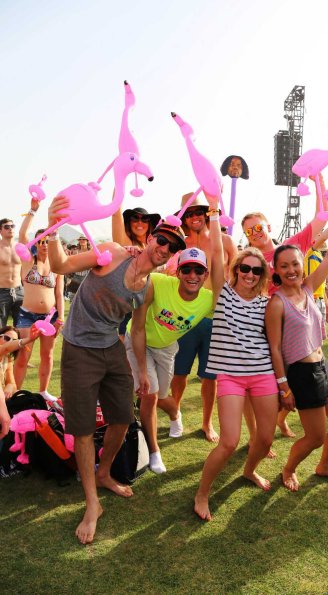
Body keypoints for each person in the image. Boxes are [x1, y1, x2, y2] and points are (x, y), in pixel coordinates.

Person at [47, 195, 185, 545]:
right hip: (79, 348)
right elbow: (61, 266)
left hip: (111, 349)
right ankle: (92, 504)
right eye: (163, 239)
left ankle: (104, 472)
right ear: (152, 237)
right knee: (80, 429)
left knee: (122, 418)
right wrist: (52, 229)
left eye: (172, 247)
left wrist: (139, 368)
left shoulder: (147, 288)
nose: (165, 248)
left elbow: (136, 330)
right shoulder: (113, 253)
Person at [194, 202, 279, 521]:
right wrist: (214, 215)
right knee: (229, 441)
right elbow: (216, 250)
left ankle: (249, 471)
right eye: (245, 268)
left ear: (263, 275)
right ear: (236, 270)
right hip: (230, 376)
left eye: (256, 270)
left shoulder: (267, 302)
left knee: (265, 438)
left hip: (262, 376)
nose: (250, 274)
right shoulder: (223, 293)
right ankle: (202, 493)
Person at [265, 207, 328, 492]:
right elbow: (275, 348)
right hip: (302, 373)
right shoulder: (276, 302)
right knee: (315, 436)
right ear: (276, 271)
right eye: (284, 266)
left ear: (302, 264)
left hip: (321, 365)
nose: (291, 270)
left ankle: (324, 465)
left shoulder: (308, 286)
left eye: (295, 264)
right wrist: (284, 387)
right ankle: (288, 469)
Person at [241, 176, 328, 439]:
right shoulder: (247, 260)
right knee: (257, 387)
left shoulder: (289, 249)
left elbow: (321, 219)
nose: (256, 233)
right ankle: (257, 435)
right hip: (261, 329)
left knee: (294, 379)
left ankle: (279, 421)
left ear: (268, 225)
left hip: (295, 329)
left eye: (258, 227)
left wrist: (318, 180)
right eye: (249, 231)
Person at [125, 240, 220, 473]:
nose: (192, 275)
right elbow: (137, 328)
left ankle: (175, 412)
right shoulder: (157, 282)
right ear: (177, 272)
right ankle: (155, 452)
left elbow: (228, 287)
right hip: (139, 342)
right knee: (149, 395)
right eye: (186, 269)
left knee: (162, 395)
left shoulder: (208, 301)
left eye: (199, 270)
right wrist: (130, 253)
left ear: (206, 274)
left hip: (167, 348)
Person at [168, 193, 238, 442]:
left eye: (199, 212)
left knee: (210, 377)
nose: (194, 217)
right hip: (184, 316)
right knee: (179, 373)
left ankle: (207, 424)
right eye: (188, 214)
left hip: (216, 318)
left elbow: (238, 277)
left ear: (208, 213)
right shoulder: (177, 242)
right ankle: (175, 415)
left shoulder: (226, 241)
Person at [14, 201, 64, 401]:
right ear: (36, 243)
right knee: (23, 355)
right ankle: (15, 392)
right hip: (27, 315)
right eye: (41, 241)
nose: (44, 244)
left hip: (50, 317)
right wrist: (33, 210)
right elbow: (22, 235)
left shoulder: (58, 264)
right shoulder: (28, 260)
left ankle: (43, 391)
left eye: (47, 240)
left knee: (48, 355)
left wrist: (60, 317)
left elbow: (59, 294)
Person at [112, 206, 161, 339]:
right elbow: (115, 214)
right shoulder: (125, 243)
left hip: (150, 307)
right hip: (128, 306)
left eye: (144, 219)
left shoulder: (154, 247)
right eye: (135, 218)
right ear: (128, 223)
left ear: (150, 224)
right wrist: (119, 185)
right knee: (125, 353)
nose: (140, 223)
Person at [0, 325, 39, 397]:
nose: (10, 342)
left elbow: (13, 385)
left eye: (14, 341)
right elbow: (6, 348)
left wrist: (10, 386)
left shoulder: (8, 358)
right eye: (7, 338)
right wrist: (28, 339)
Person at [0, 218, 24, 328]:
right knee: (1, 327)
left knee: (21, 327)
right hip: (1, 292)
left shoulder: (20, 247)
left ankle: (18, 346)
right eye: (6, 227)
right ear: (0, 230)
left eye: (12, 226)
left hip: (19, 291)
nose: (10, 229)